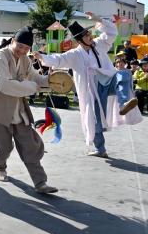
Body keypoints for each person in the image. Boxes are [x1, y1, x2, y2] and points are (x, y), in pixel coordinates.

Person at [33, 13, 141, 158]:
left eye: (89, 34)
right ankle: (100, 149)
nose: (90, 37)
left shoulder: (99, 44)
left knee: (124, 74)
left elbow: (112, 31)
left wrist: (99, 19)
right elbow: (58, 59)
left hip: (107, 81)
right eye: (86, 36)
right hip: (92, 90)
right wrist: (42, 57)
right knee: (95, 118)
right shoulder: (74, 55)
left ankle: (123, 104)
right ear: (79, 40)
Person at [0, 27, 58, 193]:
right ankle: (0, 167)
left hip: (18, 109)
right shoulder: (0, 57)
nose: (22, 50)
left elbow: (36, 78)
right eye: (20, 46)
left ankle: (40, 183)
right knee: (3, 147)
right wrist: (32, 87)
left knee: (30, 145)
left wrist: (52, 81)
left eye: (27, 48)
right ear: (12, 41)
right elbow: (5, 84)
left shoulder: (25, 60)